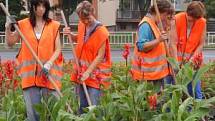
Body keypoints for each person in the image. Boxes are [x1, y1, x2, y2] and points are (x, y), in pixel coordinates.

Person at [5, 0, 63, 120]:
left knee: (51, 113)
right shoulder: (23, 24)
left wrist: (49, 63)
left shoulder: (53, 25)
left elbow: (58, 49)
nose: (41, 9)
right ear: (33, 7)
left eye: (44, 6)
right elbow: (10, 43)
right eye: (38, 6)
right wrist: (7, 28)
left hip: (49, 75)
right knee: (33, 115)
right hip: (30, 78)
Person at [63, 0, 112, 114]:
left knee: (93, 108)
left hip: (96, 76)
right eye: (81, 19)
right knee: (82, 107)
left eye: (87, 19)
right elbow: (81, 39)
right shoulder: (82, 25)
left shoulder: (102, 32)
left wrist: (88, 72)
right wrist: (71, 35)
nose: (85, 21)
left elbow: (100, 56)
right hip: (82, 73)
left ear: (92, 13)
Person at [130, 0, 174, 91]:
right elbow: (141, 46)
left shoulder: (154, 24)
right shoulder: (146, 25)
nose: (166, 18)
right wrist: (159, 40)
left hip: (155, 74)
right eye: (166, 15)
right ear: (161, 13)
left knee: (158, 101)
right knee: (152, 102)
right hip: (148, 75)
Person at [174, 1, 206, 99]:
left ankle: (197, 112)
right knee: (178, 91)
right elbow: (172, 43)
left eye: (195, 20)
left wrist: (192, 60)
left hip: (193, 62)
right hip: (177, 63)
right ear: (187, 12)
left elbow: (201, 44)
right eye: (190, 19)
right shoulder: (177, 19)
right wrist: (175, 63)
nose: (192, 22)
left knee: (195, 90)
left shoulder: (202, 22)